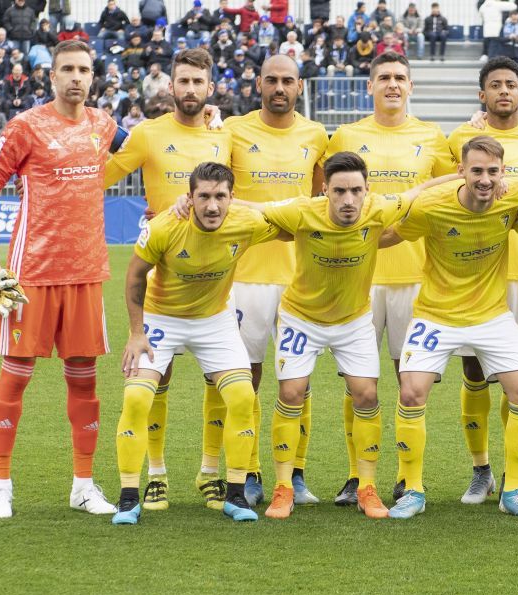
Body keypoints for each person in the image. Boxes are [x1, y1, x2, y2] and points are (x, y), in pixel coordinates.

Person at [244, 152, 450, 519]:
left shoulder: (379, 208)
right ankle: (283, 487)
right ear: (325, 190)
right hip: (301, 318)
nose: (348, 200)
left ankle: (367, 488)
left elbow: (420, 191)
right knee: (291, 391)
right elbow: (251, 208)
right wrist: (191, 202)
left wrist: (465, 177)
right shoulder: (302, 210)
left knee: (367, 394)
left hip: (353, 321)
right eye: (339, 191)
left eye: (356, 190)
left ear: (367, 190)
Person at [0, 40, 119, 519]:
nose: (77, 77)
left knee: (85, 381)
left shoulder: (104, 124)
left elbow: (148, 146)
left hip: (86, 274)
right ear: (51, 76)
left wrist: (209, 123)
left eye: (84, 70)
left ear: (93, 77)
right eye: (68, 70)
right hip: (29, 275)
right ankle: (1, 485)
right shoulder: (26, 126)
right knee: (15, 377)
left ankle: (82, 484)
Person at [112, 162, 281, 525]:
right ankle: (130, 495)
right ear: (189, 198)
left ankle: (234, 493)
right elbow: (135, 274)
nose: (212, 206)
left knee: (242, 396)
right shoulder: (164, 227)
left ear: (233, 198)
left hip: (214, 321)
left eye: (221, 196)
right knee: (137, 396)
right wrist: (136, 332)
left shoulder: (245, 222)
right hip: (161, 319)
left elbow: (293, 223)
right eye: (203, 196)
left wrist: (253, 207)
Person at [380, 136, 518, 519]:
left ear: (504, 172)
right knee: (412, 391)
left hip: (491, 315)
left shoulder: (515, 196)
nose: (485, 180)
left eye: (492, 171)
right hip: (436, 314)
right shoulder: (433, 206)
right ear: (461, 172)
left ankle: (513, 491)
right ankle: (413, 491)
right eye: (476, 171)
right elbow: (388, 235)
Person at [104, 48, 234, 512]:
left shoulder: (227, 134)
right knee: (158, 375)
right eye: (183, 81)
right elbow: (102, 174)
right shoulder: (148, 134)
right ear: (171, 86)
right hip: (162, 266)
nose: (190, 90)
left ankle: (210, 471)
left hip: (217, 273)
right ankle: (156, 473)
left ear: (210, 88)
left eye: (199, 82)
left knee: (221, 378)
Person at [321, 51, 454, 505]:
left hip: (415, 275)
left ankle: (405, 476)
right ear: (369, 86)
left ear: (411, 86)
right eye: (384, 78)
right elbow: (322, 194)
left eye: (400, 77)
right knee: (356, 380)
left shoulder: (433, 137)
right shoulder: (348, 134)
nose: (392, 84)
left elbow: (453, 185)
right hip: (358, 275)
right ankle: (358, 476)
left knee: (408, 380)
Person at [447, 57, 518, 505]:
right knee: (474, 372)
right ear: (482, 95)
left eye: (511, 85)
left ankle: (517, 477)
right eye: (494, 85)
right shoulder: (461, 138)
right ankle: (481, 471)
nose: (503, 92)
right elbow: (442, 186)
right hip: (476, 277)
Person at [223, 54, 328, 507]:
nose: (279, 87)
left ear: (300, 87)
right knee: (247, 377)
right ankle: (248, 472)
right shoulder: (231, 129)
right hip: (244, 276)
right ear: (258, 84)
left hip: (300, 277)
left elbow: (323, 199)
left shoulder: (316, 135)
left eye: (288, 81)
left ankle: (296, 473)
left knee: (297, 380)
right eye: (272, 80)